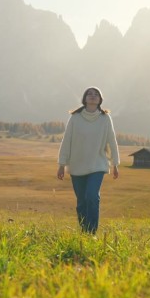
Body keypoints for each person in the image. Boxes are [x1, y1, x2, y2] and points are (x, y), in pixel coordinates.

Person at [57, 87, 120, 234]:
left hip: (97, 165)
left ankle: (92, 233)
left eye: (96, 94)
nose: (93, 96)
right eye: (89, 94)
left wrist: (115, 163)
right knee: (81, 202)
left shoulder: (105, 118)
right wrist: (61, 164)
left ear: (100, 100)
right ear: (84, 99)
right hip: (76, 165)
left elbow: (112, 141)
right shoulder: (75, 118)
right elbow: (66, 141)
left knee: (92, 196)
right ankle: (84, 231)